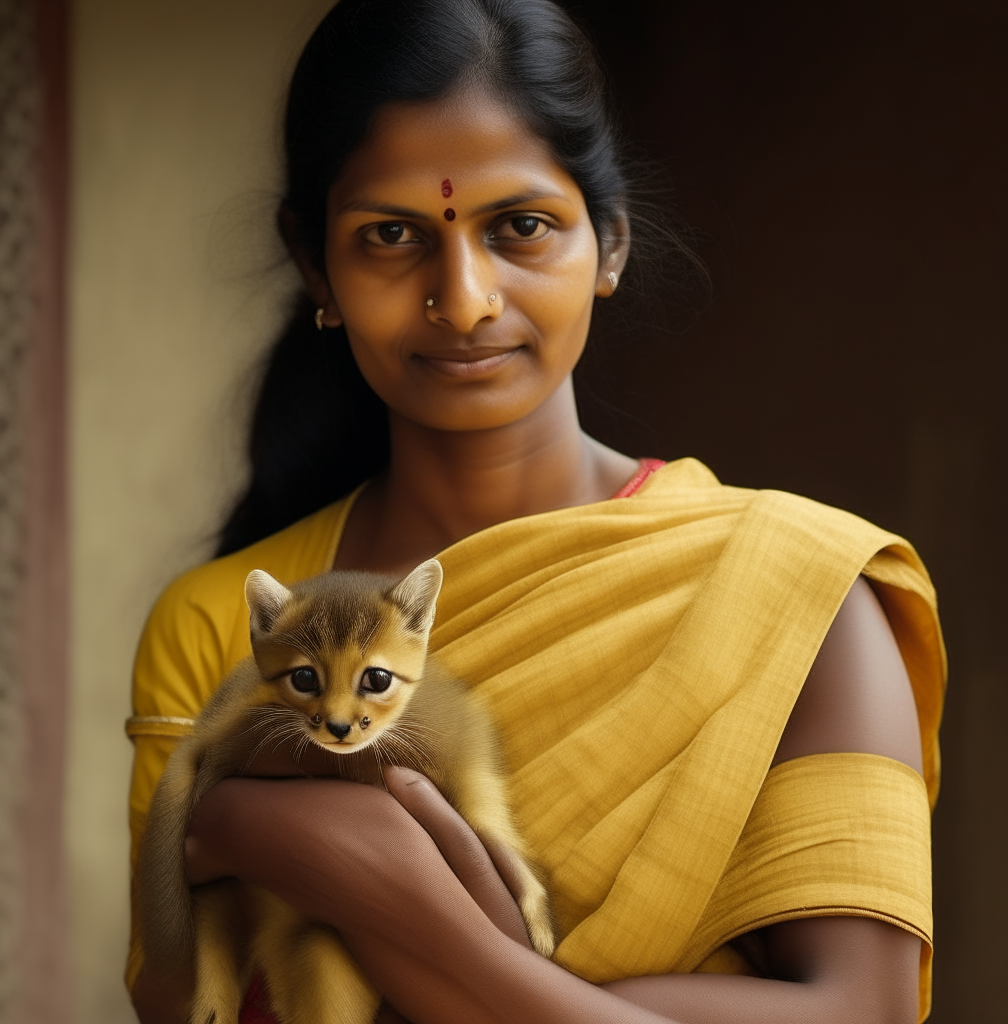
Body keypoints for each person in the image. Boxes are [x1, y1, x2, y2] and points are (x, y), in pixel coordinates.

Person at [125, 2, 944, 1022]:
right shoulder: (224, 624)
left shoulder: (799, 593)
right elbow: (185, 996)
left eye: (520, 227)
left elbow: (855, 1013)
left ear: (607, 245)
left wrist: (400, 903)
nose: (463, 299)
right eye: (391, 236)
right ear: (315, 267)